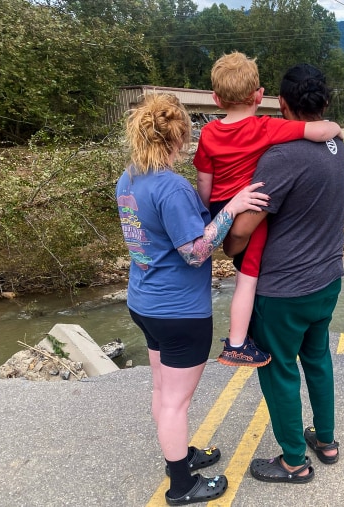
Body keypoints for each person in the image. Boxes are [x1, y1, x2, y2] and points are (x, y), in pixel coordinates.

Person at [116, 93, 269, 505]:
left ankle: (179, 457)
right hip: (180, 312)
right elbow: (195, 251)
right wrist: (232, 207)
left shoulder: (128, 178)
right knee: (175, 402)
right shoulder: (172, 187)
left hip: (143, 302)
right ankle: (182, 486)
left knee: (162, 391)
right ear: (178, 138)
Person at [223, 63, 344, 483]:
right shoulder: (338, 145)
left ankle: (293, 460)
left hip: (285, 290)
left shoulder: (282, 157)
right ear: (325, 104)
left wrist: (228, 248)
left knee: (278, 370)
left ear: (281, 103)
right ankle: (326, 440)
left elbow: (244, 226)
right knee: (317, 358)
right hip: (327, 278)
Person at [193, 51, 342, 368]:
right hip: (252, 210)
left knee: (239, 265)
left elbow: (204, 182)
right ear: (260, 96)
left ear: (216, 99)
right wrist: (336, 130)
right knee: (247, 279)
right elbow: (314, 131)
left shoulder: (207, 133)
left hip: (222, 208)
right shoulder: (265, 128)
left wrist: (211, 219)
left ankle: (235, 341)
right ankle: (236, 343)